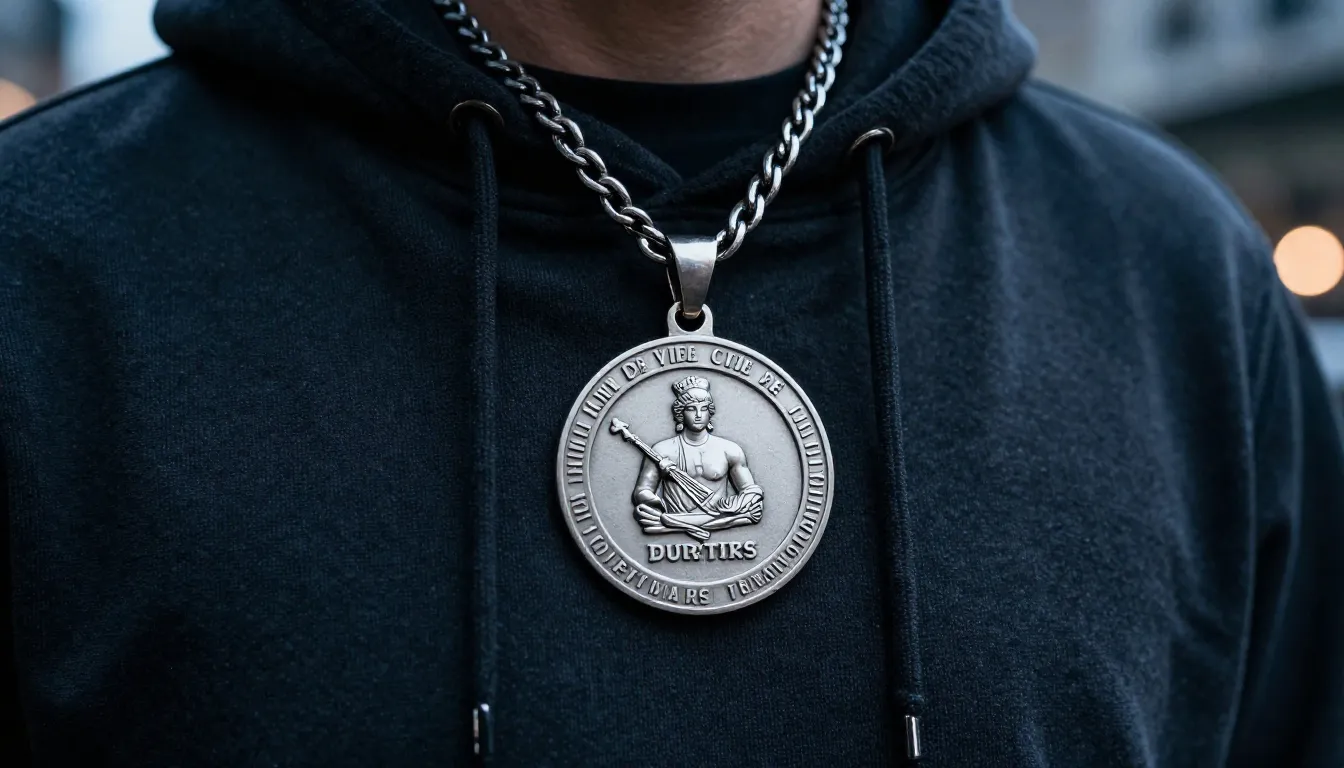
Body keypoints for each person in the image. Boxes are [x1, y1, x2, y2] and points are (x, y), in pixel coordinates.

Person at [1, 0, 1340, 765]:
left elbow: (727, 492)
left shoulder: (1169, 270)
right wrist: (675, 493)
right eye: (690, 417)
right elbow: (673, 497)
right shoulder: (45, 266)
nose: (695, 419)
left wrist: (697, 489)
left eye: (699, 416)